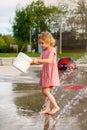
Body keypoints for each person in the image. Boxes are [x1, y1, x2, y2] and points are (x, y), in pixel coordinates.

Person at [30, 31, 60, 115]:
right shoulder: (43, 51)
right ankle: (47, 108)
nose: (41, 45)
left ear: (48, 41)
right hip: (46, 73)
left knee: (46, 91)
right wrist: (33, 62)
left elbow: (49, 60)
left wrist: (38, 60)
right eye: (40, 43)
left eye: (42, 43)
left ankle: (56, 106)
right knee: (44, 91)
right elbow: (40, 61)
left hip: (51, 73)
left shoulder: (52, 50)